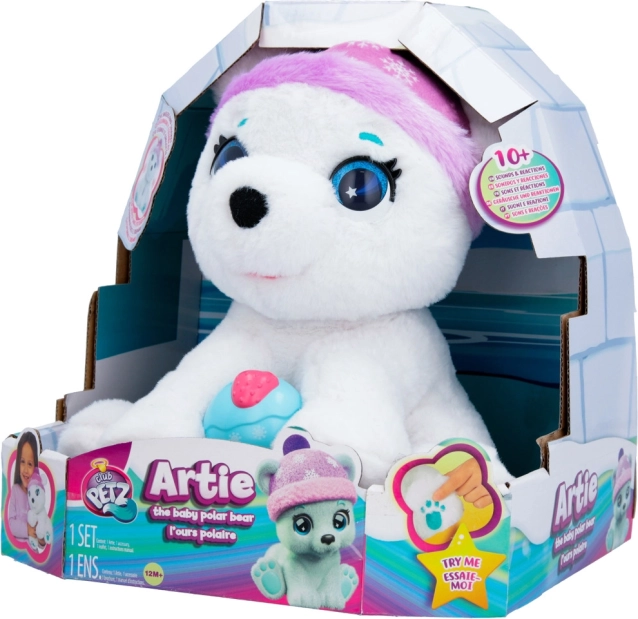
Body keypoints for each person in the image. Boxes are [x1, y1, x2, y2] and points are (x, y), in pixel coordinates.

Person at [7, 431, 39, 541]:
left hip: (33, 547)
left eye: (30, 464)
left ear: (36, 466)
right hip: (16, 547)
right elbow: (11, 523)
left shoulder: (37, 494)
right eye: (22, 461)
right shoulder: (15, 490)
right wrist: (27, 529)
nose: (25, 470)